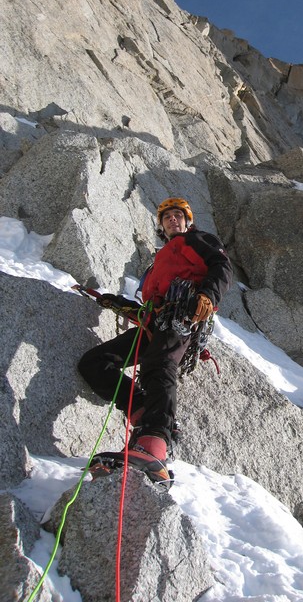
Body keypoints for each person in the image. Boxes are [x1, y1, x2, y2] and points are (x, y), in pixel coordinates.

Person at [78, 197, 232, 483]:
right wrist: (118, 303)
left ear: (188, 221)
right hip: (157, 323)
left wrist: (208, 296)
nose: (173, 220)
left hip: (184, 316)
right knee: (95, 364)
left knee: (160, 363)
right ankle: (146, 417)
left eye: (178, 216)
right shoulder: (160, 260)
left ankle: (153, 445)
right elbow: (153, 306)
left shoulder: (195, 240)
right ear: (161, 226)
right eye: (167, 217)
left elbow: (221, 265)